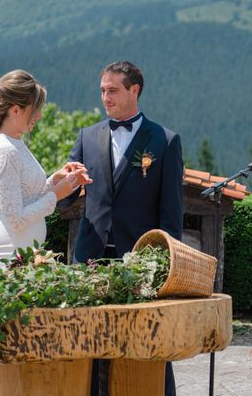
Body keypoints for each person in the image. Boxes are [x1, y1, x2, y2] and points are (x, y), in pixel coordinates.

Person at [0, 69, 92, 396]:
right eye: (34, 110)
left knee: (12, 334)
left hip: (24, 250)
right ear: (16, 109)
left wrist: (56, 181)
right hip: (10, 250)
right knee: (4, 335)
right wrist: (54, 197)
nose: (39, 116)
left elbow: (26, 196)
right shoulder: (2, 150)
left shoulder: (13, 143)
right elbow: (14, 216)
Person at [63, 60, 183, 396]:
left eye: (113, 90)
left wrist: (163, 268)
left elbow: (171, 214)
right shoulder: (87, 136)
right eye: (102, 90)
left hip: (141, 262)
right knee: (89, 340)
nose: (105, 97)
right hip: (91, 259)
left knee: (149, 342)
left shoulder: (165, 141)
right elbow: (64, 197)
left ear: (134, 90)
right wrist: (64, 183)